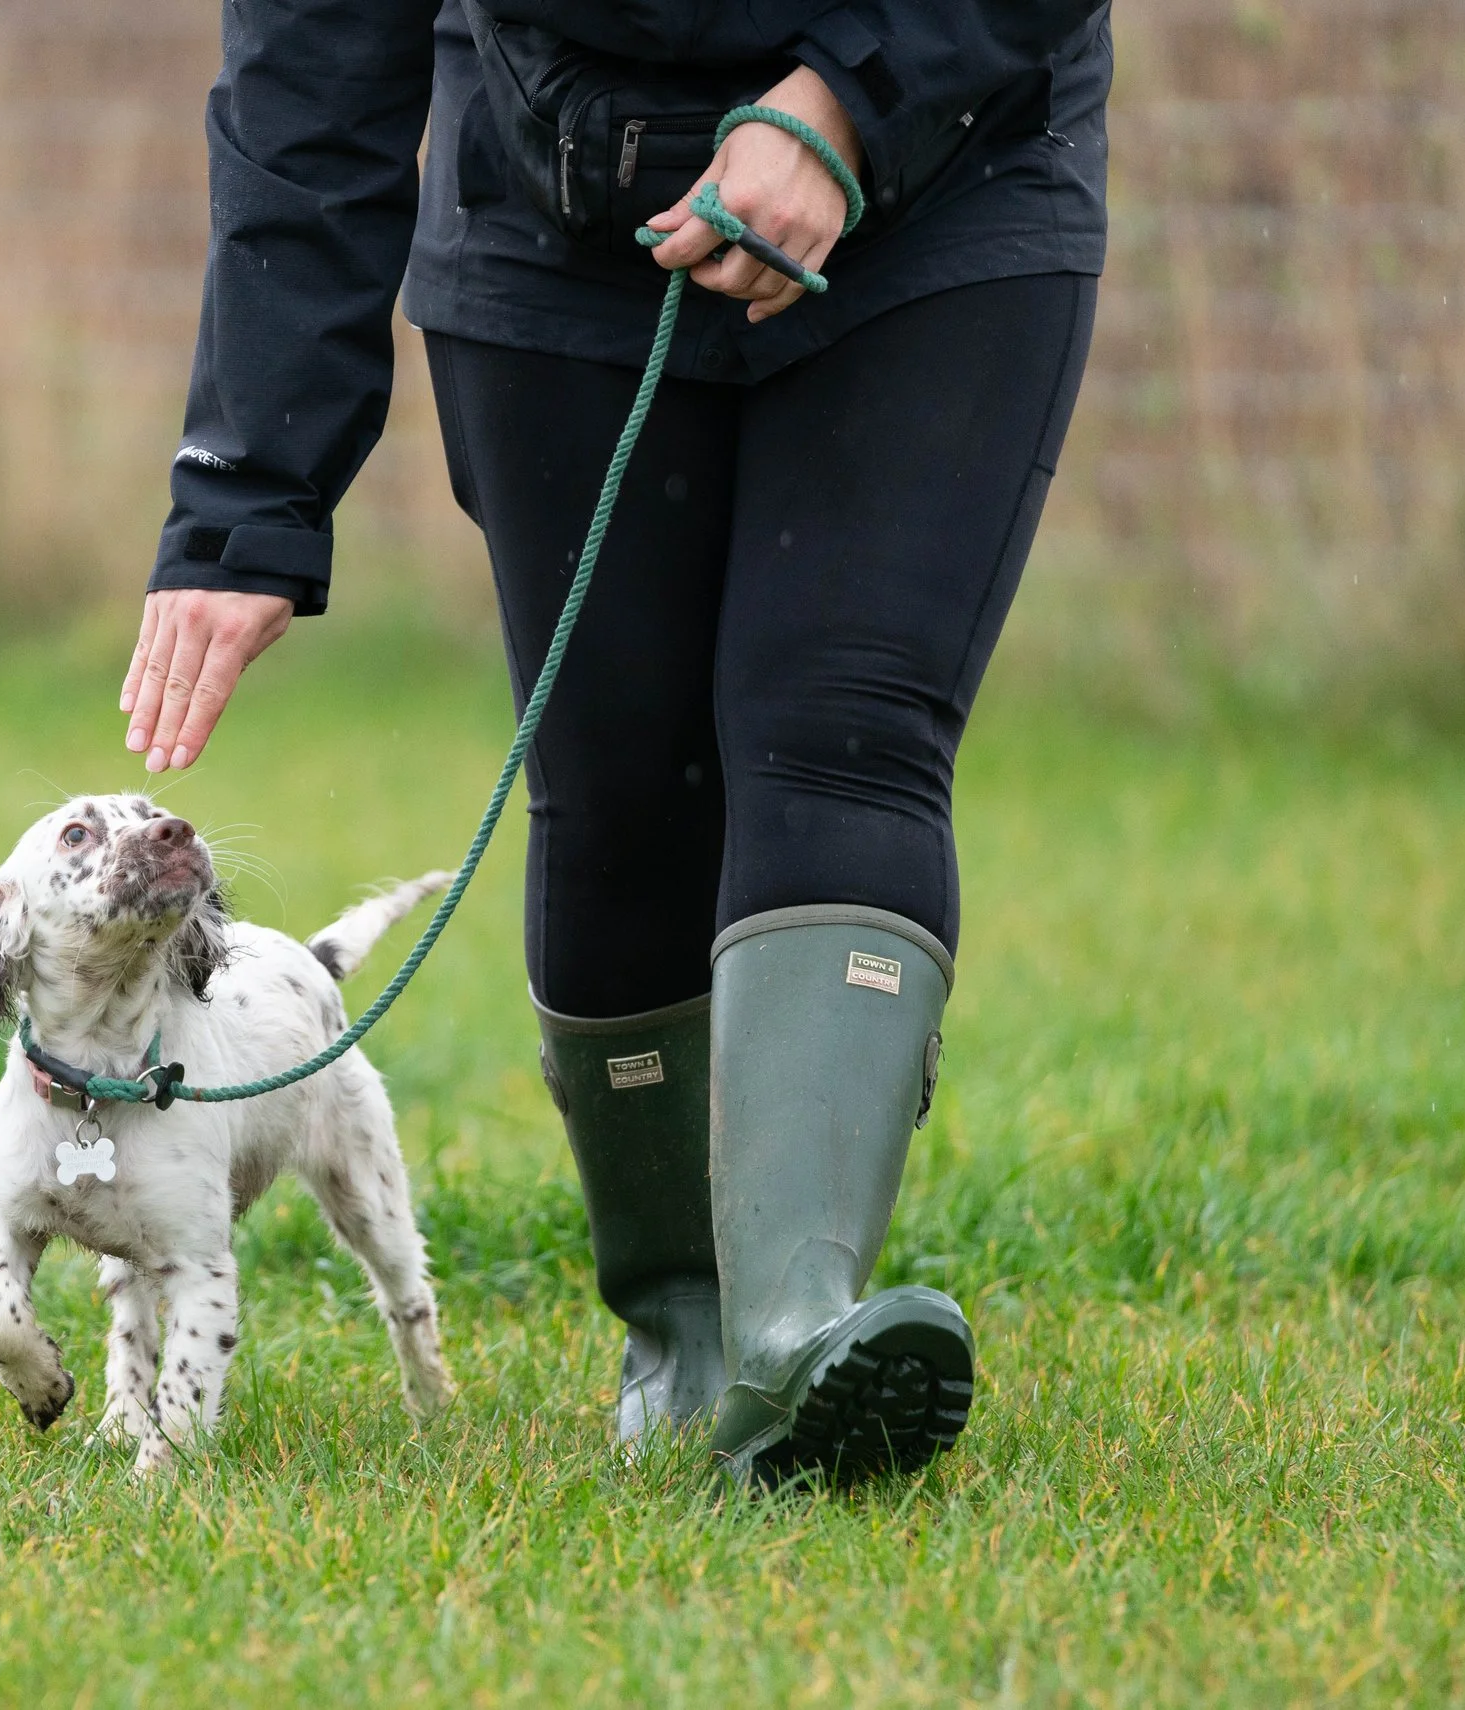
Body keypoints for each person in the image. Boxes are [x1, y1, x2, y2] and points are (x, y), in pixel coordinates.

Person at [118, 0, 1111, 1486]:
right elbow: (314, 56)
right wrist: (250, 486)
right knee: (622, 782)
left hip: (945, 173)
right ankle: (688, 1345)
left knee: (837, 717)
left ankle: (796, 1331)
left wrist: (852, 98)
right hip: (559, 202)